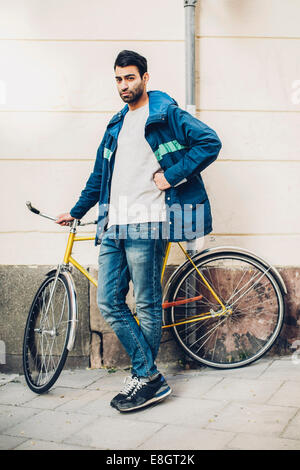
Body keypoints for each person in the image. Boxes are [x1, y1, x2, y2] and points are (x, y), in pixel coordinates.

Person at [56, 50, 222, 412]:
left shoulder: (165, 114)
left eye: (130, 77)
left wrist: (172, 174)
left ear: (145, 78)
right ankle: (149, 376)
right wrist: (77, 209)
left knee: (146, 304)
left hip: (148, 220)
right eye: (118, 79)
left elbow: (210, 142)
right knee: (109, 301)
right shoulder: (116, 123)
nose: (123, 85)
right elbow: (100, 175)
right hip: (114, 221)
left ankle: (144, 380)